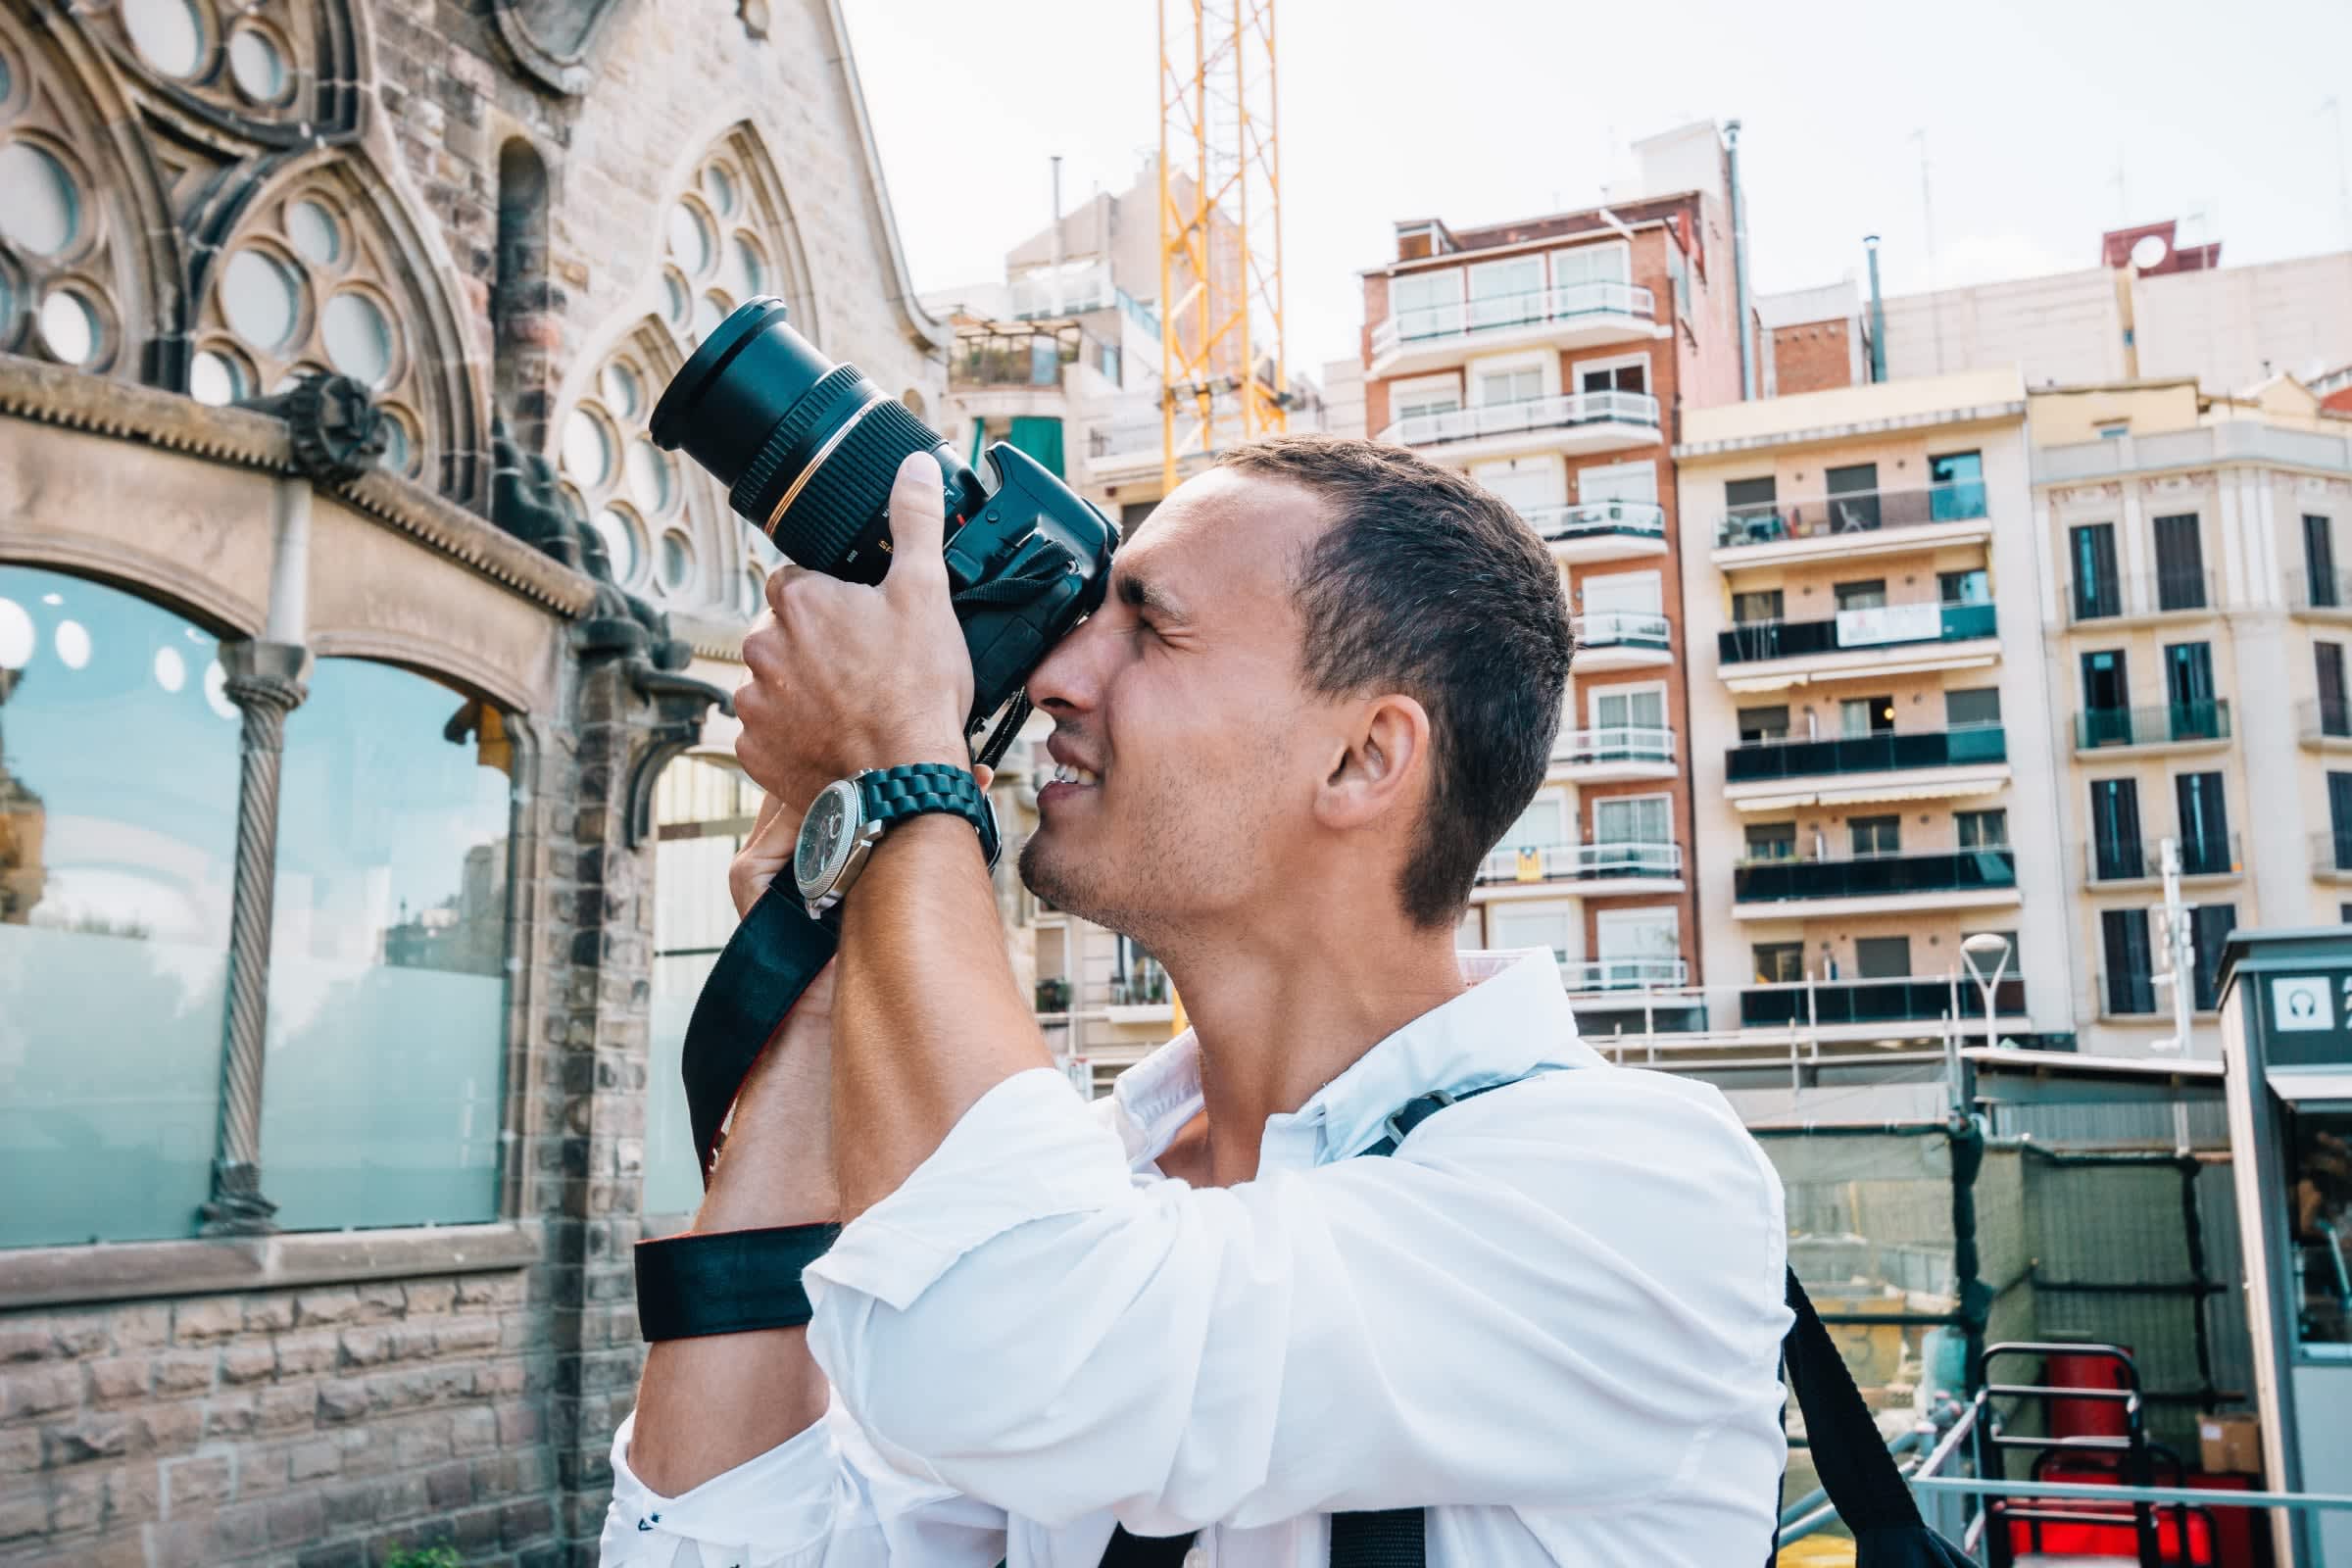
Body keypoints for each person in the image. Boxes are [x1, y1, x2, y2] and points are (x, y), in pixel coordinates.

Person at [603, 435, 1791, 1565]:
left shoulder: (1638, 1194)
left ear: (1364, 758)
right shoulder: (1090, 1175)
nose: (1058, 676)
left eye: (1152, 630)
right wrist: (822, 982)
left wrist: (899, 763)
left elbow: (1004, 1337)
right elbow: (726, 1544)